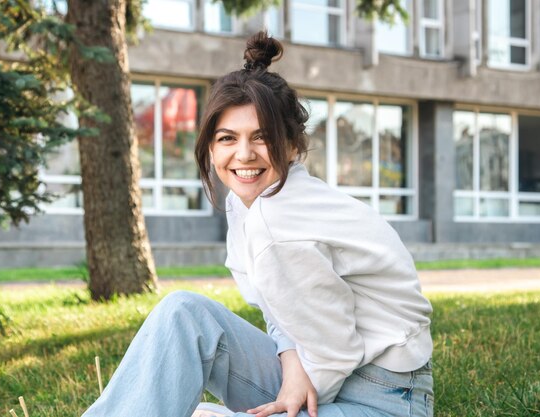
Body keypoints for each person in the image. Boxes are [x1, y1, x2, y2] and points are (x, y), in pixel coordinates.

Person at [81, 31, 434, 417]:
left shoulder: (279, 220)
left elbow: (337, 351)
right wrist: (291, 360)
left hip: (383, 399)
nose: (243, 154)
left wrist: (299, 380)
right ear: (210, 147)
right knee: (184, 313)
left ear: (291, 145)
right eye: (227, 138)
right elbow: (282, 311)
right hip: (321, 367)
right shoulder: (249, 201)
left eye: (261, 137)